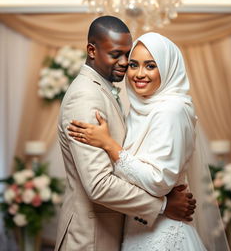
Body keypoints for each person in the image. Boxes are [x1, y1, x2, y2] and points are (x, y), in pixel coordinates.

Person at [68, 32, 230, 250]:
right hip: (139, 228)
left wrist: (108, 144)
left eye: (150, 66)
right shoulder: (140, 110)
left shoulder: (171, 110)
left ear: (167, 67)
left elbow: (159, 181)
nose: (139, 74)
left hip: (163, 235)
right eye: (133, 65)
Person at [55, 16, 196, 251]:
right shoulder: (86, 97)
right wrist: (162, 206)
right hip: (92, 236)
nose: (124, 62)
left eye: (127, 56)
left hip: (120, 230)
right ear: (92, 50)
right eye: (115, 54)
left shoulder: (108, 92)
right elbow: (99, 184)